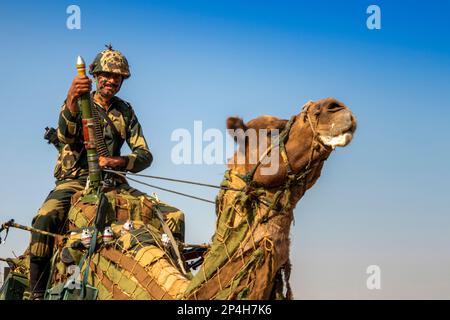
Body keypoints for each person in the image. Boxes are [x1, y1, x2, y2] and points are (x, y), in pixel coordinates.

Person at [28, 46, 154, 300]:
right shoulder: (80, 102)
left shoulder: (125, 111)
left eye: (117, 76)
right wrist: (72, 98)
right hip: (76, 181)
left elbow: (144, 155)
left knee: (172, 218)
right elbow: (65, 134)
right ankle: (36, 293)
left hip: (113, 181)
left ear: (122, 81)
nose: (111, 80)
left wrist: (117, 161)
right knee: (44, 218)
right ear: (95, 76)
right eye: (106, 75)